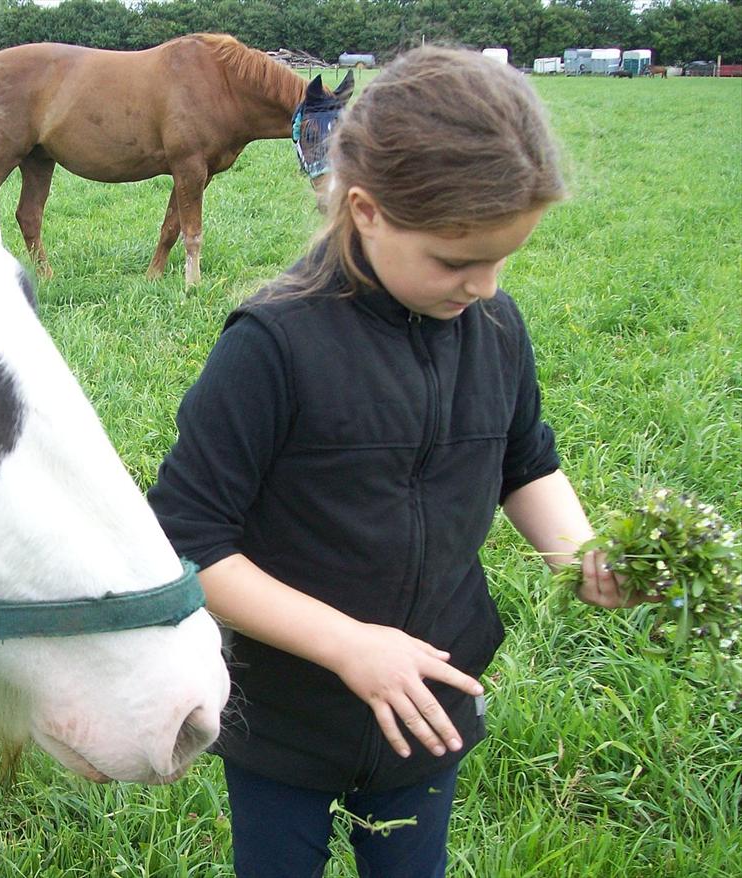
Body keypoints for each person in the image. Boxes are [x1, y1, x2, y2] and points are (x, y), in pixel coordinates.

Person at [147, 46, 645, 878]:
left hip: (428, 696)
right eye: (457, 261)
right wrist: (347, 646)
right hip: (288, 709)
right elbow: (190, 541)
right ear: (367, 209)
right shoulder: (272, 344)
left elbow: (526, 462)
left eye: (502, 258)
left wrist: (580, 552)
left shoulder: (494, 328)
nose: (484, 286)